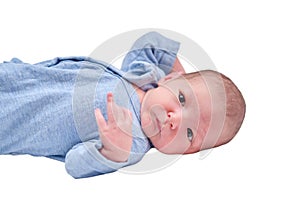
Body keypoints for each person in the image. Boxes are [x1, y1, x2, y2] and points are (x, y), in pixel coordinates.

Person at [0, 32, 245, 178]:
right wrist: (174, 77)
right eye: (182, 99)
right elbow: (152, 41)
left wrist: (110, 153)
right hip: (19, 77)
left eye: (189, 133)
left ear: (185, 152)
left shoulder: (131, 143)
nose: (175, 120)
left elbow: (74, 164)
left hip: (11, 122)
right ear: (170, 80)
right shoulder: (144, 74)